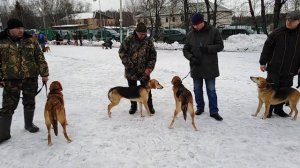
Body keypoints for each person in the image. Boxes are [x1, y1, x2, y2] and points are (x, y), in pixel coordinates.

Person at [0, 18, 49, 144]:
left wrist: (44, 73)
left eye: (22, 28)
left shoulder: (31, 40)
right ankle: (4, 133)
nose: (21, 30)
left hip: (30, 78)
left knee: (29, 102)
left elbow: (39, 57)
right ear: (10, 29)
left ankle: (29, 125)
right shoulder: (1, 41)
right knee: (7, 106)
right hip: (10, 80)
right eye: (18, 28)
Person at [183, 12, 224, 121]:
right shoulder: (190, 34)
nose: (195, 26)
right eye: (193, 25)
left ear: (202, 22)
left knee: (211, 90)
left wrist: (207, 48)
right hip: (196, 67)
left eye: (197, 24)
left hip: (210, 66)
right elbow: (185, 50)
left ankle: (214, 111)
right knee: (197, 89)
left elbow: (220, 46)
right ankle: (200, 107)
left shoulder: (214, 31)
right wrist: (191, 58)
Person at [259, 11, 300, 118]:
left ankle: (279, 109)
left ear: (298, 21)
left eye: (292, 21)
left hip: (291, 69)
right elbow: (267, 47)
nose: (289, 22)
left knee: (285, 90)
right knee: (272, 89)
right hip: (274, 68)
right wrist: (263, 62)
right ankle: (269, 111)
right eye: (287, 20)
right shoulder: (277, 33)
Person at [118, 22, 157, 115]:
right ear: (136, 32)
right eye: (141, 34)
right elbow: (122, 53)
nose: (143, 36)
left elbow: (153, 56)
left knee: (147, 89)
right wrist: (129, 65)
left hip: (144, 71)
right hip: (131, 71)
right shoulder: (128, 40)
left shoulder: (148, 42)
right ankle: (133, 106)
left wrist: (149, 68)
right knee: (132, 90)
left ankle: (149, 106)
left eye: (144, 34)